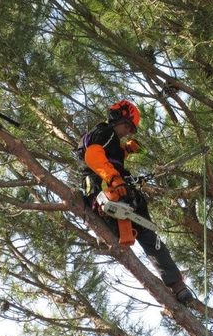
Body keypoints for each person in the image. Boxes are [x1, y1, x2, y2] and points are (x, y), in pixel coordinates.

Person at [79, 100, 195, 304]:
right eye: (127, 127)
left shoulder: (111, 139)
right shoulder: (105, 132)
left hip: (114, 190)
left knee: (146, 231)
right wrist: (113, 178)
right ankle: (176, 284)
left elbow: (109, 155)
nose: (127, 133)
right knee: (134, 226)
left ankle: (176, 285)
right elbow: (93, 156)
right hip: (105, 188)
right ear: (118, 119)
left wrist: (126, 150)